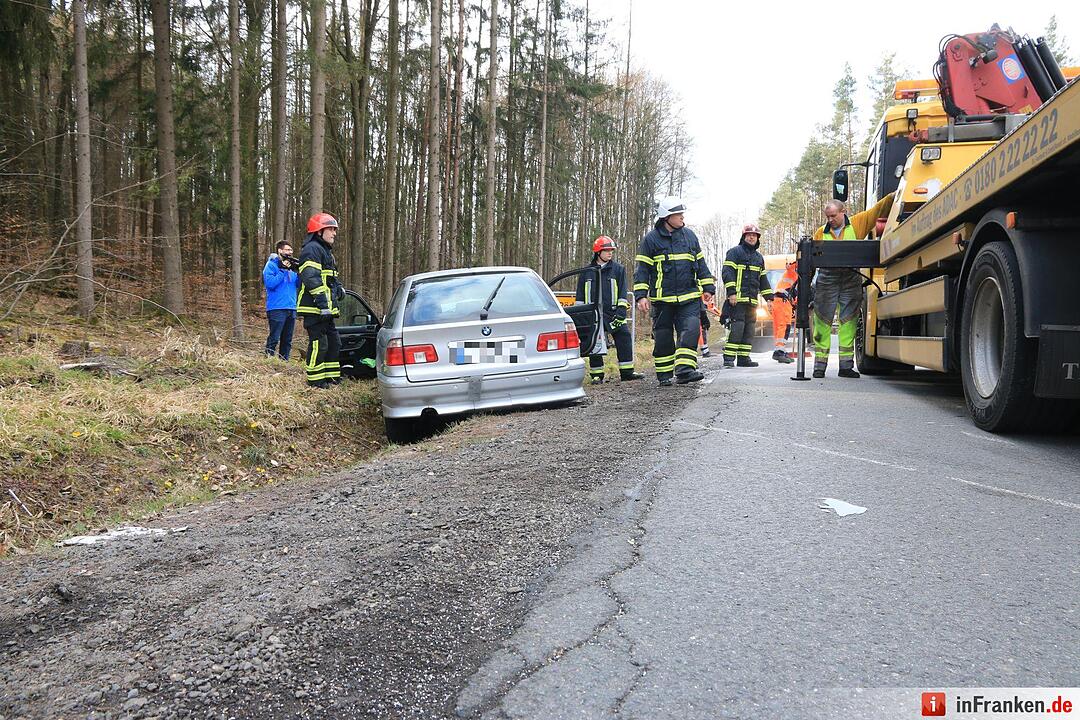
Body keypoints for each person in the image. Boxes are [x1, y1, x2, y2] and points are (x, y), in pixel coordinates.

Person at [633, 197, 716, 386]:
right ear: (666, 217)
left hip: (689, 297)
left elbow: (701, 264)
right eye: (678, 214)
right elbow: (642, 270)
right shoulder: (651, 240)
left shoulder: (690, 236)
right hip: (663, 300)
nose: (682, 217)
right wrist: (641, 296)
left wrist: (708, 287)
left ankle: (685, 370)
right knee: (663, 338)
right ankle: (664, 374)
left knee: (691, 330)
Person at [811, 194, 894, 379]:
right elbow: (812, 257)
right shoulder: (819, 233)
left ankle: (846, 367)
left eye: (833, 216)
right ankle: (819, 366)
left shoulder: (857, 223)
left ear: (843, 212)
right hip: (827, 279)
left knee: (848, 321)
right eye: (828, 217)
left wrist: (892, 197)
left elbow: (877, 211)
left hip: (851, 278)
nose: (830, 220)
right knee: (822, 321)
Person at [576, 236, 644, 384]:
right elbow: (580, 295)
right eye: (606, 250)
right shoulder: (586, 272)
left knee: (624, 337)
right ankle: (597, 375)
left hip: (613, 314)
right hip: (592, 314)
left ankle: (627, 372)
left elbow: (622, 292)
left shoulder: (618, 269)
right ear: (598, 252)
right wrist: (581, 314)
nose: (610, 253)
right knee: (595, 343)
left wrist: (621, 312)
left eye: (611, 251)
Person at [296, 212, 344, 387]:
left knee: (334, 343)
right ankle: (315, 380)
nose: (334, 233)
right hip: (315, 309)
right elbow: (311, 278)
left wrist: (339, 289)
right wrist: (323, 304)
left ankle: (330, 376)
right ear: (319, 231)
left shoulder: (326, 252)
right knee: (319, 344)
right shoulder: (312, 249)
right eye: (330, 229)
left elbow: (330, 278)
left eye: (334, 229)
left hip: (326, 310)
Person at [721, 223, 773, 368]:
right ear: (744, 236)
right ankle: (729, 358)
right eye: (749, 235)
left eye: (755, 235)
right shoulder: (734, 252)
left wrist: (769, 298)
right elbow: (727, 272)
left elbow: (763, 280)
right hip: (737, 300)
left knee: (749, 330)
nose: (752, 237)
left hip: (752, 300)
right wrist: (731, 293)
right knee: (737, 328)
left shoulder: (759, 258)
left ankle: (744, 358)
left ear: (758, 238)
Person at [262, 240, 301, 360]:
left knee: (287, 339)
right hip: (277, 307)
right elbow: (270, 283)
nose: (290, 252)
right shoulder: (271, 265)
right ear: (280, 250)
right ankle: (268, 359)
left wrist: (300, 273)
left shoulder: (292, 266)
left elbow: (297, 285)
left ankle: (284, 362)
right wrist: (283, 270)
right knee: (274, 337)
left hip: (291, 307)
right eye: (287, 250)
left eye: (291, 250)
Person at [770, 259, 798, 363]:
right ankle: (779, 352)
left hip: (785, 302)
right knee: (782, 326)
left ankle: (780, 350)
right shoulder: (793, 271)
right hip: (782, 300)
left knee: (785, 327)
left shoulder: (797, 276)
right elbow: (791, 267)